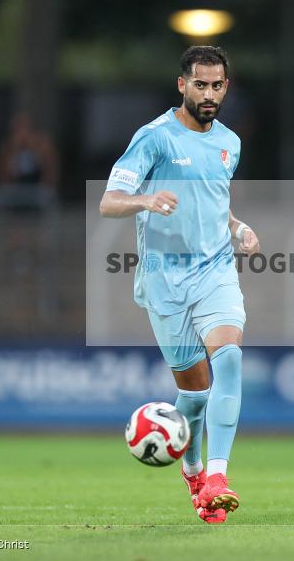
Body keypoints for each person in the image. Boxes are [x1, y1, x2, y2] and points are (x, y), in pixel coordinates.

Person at [99, 46, 259, 524]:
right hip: (164, 280)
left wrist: (236, 227)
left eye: (217, 86)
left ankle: (217, 476)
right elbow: (109, 201)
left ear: (225, 87)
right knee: (193, 393)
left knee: (229, 360)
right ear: (182, 85)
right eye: (200, 85)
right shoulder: (154, 138)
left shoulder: (230, 141)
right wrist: (146, 200)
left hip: (215, 271)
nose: (208, 94)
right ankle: (191, 470)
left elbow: (214, 200)